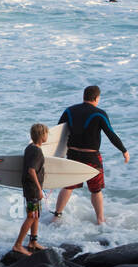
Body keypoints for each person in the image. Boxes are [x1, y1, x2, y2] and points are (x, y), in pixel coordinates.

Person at [52, 85, 129, 225]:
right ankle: (100, 220)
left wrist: (55, 155)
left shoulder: (70, 110)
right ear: (96, 98)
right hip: (91, 157)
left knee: (68, 186)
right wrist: (123, 150)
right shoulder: (99, 113)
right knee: (95, 190)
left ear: (84, 96)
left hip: (73, 155)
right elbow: (111, 134)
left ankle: (56, 216)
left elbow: (58, 132)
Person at [13, 123, 48, 254]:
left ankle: (33, 241)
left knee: (36, 215)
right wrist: (39, 189)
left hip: (29, 187)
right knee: (31, 216)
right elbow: (31, 170)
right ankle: (18, 244)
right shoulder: (37, 151)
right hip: (33, 189)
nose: (47, 136)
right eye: (46, 133)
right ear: (41, 135)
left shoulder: (30, 147)